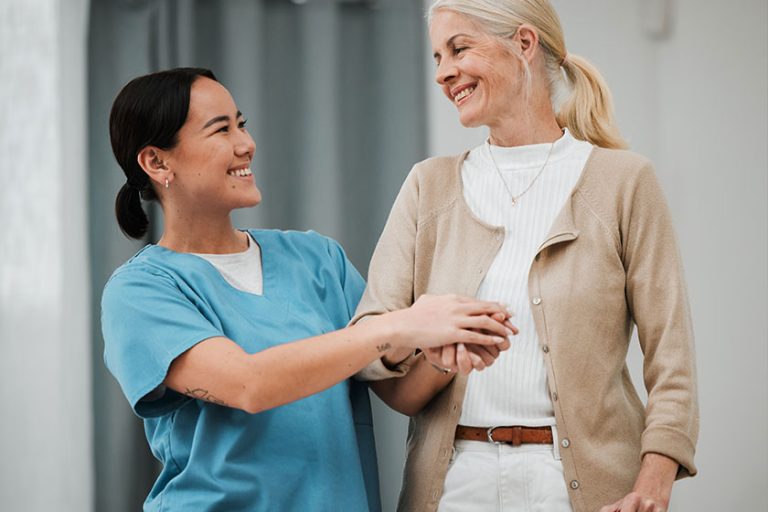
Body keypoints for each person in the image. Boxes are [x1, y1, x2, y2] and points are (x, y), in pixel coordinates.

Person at [101, 67, 516, 511]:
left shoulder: (318, 260)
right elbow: (248, 384)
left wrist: (446, 352)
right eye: (221, 130)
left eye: (241, 124)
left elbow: (400, 392)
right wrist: (402, 325)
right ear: (157, 162)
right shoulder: (140, 291)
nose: (246, 143)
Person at [352, 1, 699, 511]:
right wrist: (439, 353)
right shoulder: (428, 186)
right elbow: (370, 343)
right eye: (437, 57)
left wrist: (653, 482)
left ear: (523, 43)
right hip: (454, 488)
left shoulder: (624, 182)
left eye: (459, 48)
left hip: (584, 490)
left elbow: (673, 361)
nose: (443, 72)